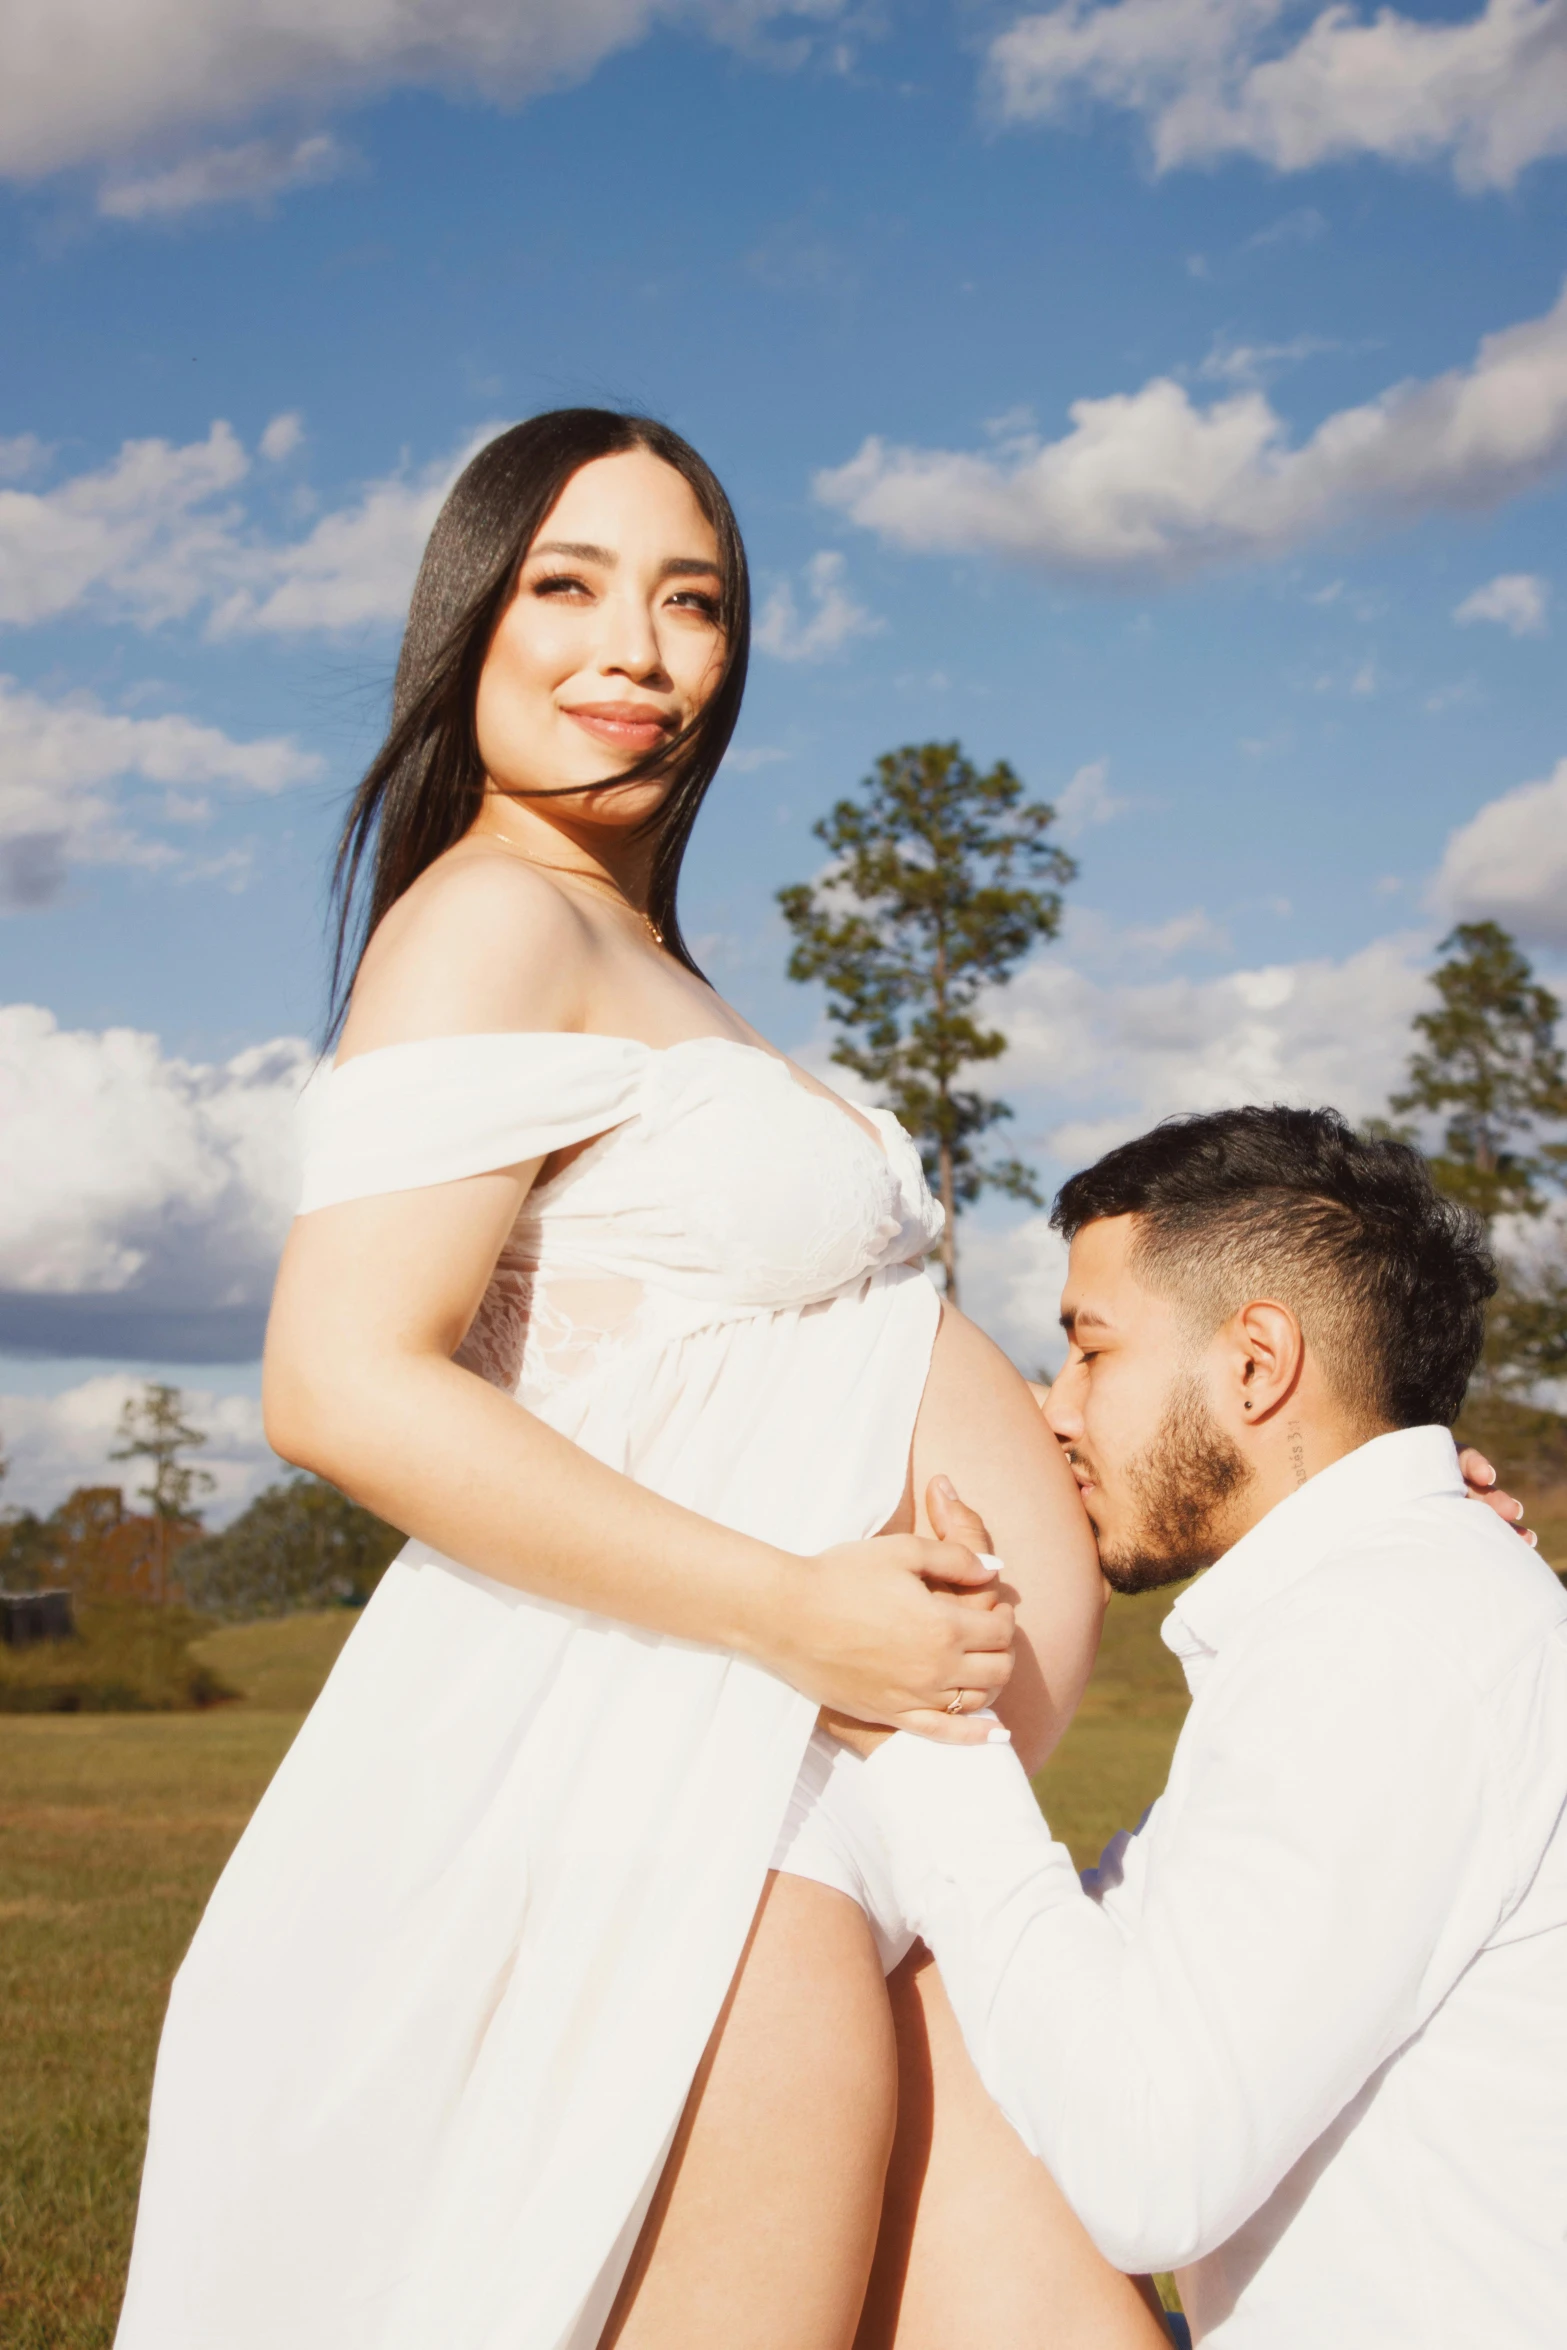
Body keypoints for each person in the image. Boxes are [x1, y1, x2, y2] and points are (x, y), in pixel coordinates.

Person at [113, 410, 1168, 2350]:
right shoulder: (491, 916)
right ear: (469, 617)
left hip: (869, 1798)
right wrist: (791, 1605)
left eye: (693, 599)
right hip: (700, 1786)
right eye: (570, 583)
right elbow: (339, 1382)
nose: (640, 645)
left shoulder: (635, 946)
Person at [838, 1105, 1567, 2347]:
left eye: (1091, 1351)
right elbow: (1091, 1980)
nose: (1055, 1410)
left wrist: (923, 1719)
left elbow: (1147, 2165)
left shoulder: (1384, 1639)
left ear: (1254, 1362)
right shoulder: (1392, 1611)